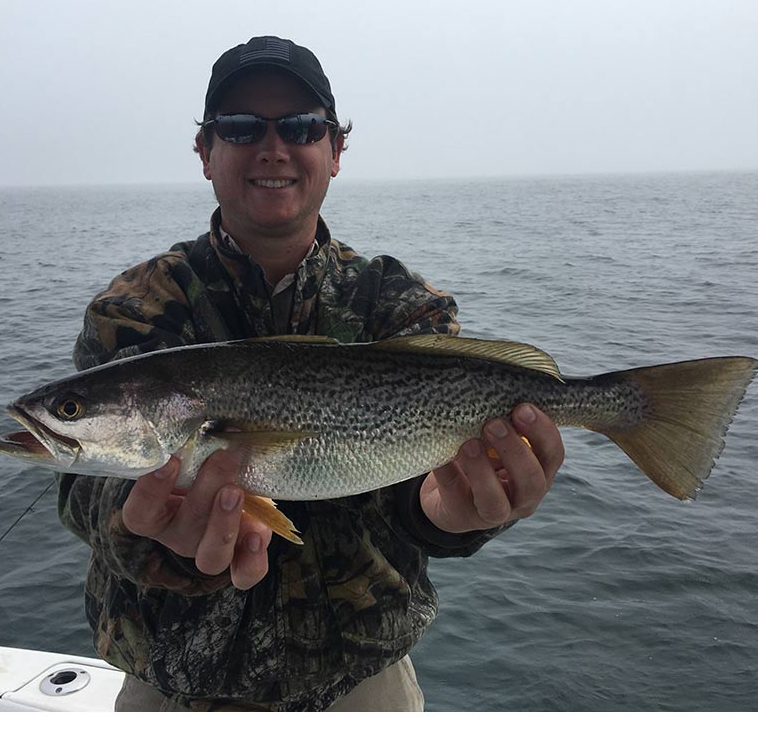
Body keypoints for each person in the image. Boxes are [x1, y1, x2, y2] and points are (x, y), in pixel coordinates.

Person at [58, 35, 565, 712]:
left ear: (335, 150)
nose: (273, 147)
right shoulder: (136, 309)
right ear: (206, 152)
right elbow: (81, 485)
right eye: (240, 127)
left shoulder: (401, 305)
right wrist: (142, 523)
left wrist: (456, 513)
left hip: (361, 686)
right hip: (169, 686)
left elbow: (420, 488)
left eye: (300, 126)